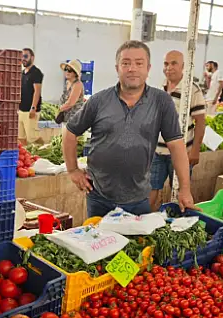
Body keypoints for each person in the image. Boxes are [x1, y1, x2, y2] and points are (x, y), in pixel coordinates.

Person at [62, 40, 195, 217]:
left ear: (148, 68)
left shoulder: (161, 101)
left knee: (136, 244)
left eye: (139, 63)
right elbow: (70, 131)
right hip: (99, 196)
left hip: (138, 199)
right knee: (97, 241)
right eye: (126, 63)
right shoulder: (99, 101)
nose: (132, 68)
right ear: (118, 68)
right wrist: (73, 170)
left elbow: (177, 146)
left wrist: (184, 189)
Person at [149, 50, 207, 211]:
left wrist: (195, 150)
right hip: (157, 152)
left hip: (181, 153)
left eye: (174, 63)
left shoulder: (192, 90)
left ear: (183, 66)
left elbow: (200, 122)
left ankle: (176, 226)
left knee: (180, 191)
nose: (169, 67)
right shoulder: (159, 89)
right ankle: (143, 222)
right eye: (166, 63)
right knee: (151, 188)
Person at [19, 48, 43, 144]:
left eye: (25, 56)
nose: (23, 59)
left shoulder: (36, 73)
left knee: (33, 138)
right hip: (21, 110)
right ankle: (26, 157)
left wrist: (33, 107)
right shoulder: (22, 73)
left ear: (32, 58)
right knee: (21, 138)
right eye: (21, 56)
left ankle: (39, 155)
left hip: (30, 110)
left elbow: (37, 92)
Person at [57, 60, 85, 128]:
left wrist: (59, 109)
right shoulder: (67, 83)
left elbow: (70, 103)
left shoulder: (77, 84)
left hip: (74, 118)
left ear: (75, 73)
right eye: (66, 69)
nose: (67, 72)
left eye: (70, 70)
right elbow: (63, 97)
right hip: (66, 117)